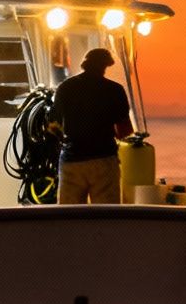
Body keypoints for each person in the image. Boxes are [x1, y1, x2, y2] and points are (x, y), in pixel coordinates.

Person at [54, 48, 134, 204]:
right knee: (106, 216)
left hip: (72, 161)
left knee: (69, 216)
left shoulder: (65, 87)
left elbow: (55, 125)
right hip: (103, 161)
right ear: (106, 66)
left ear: (85, 64)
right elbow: (124, 130)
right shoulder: (114, 90)